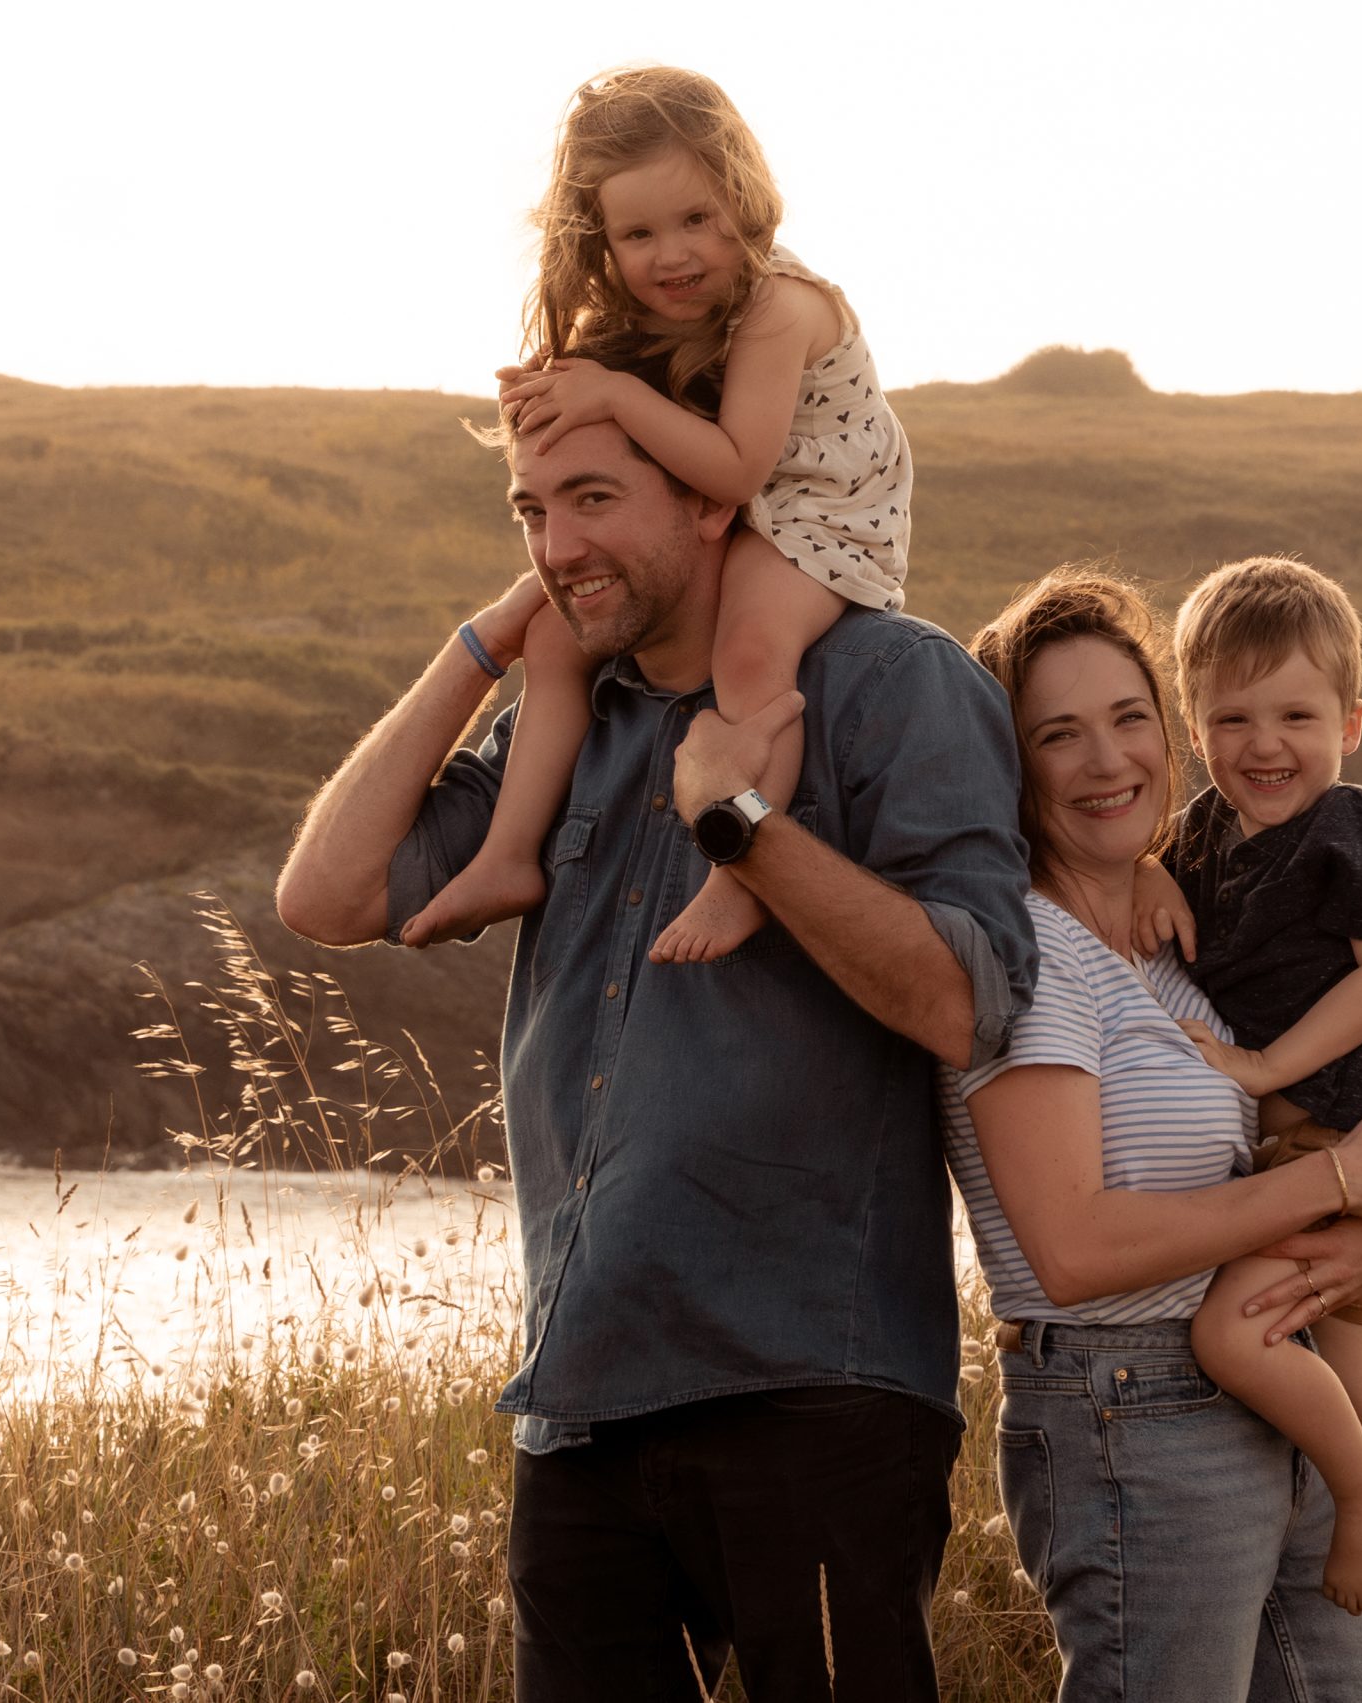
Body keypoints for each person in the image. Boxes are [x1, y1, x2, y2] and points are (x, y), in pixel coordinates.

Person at [273, 336, 1035, 1702]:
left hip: (815, 1382)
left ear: (709, 496)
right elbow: (326, 892)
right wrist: (494, 635)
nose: (559, 540)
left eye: (594, 499)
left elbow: (965, 995)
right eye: (530, 509)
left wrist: (736, 828)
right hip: (578, 1398)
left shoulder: (893, 684)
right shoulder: (566, 726)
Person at [940, 567, 1362, 1701]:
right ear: (1011, 759)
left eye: (1128, 719)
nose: (1108, 760)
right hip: (1130, 1406)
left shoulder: (1176, 932)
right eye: (1059, 733)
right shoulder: (1026, 959)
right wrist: (1336, 1178)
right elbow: (1073, 1250)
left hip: (1272, 1378)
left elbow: (1318, 1094)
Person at [410, 65, 915, 968]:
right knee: (561, 637)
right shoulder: (660, 308)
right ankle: (506, 855)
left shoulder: (778, 306)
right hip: (745, 502)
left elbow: (736, 465)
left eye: (696, 220)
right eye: (637, 233)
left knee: (750, 651)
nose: (671, 255)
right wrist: (557, 388)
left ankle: (742, 869)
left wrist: (613, 394)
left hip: (823, 514)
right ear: (600, 240)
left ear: (746, 197)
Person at [1137, 555, 1362, 1666]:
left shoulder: (1359, 830)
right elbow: (1145, 875)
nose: (1263, 742)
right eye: (1231, 716)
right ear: (1192, 725)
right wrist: (1146, 875)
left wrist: (1261, 1063)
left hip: (1339, 1125)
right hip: (1307, 1143)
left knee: (1234, 1331)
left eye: (1295, 714)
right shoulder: (1203, 837)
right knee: (1358, 1367)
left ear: (1351, 722)